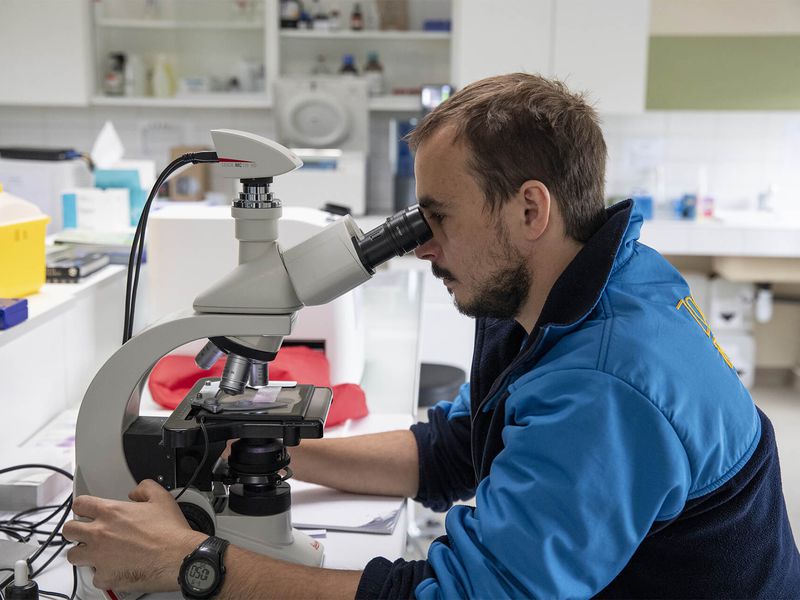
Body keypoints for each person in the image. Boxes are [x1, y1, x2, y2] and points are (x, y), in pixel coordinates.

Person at [64, 73, 800, 598]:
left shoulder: (606, 382)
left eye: (436, 217)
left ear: (530, 210)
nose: (419, 245)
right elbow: (459, 449)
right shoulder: (584, 289)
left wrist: (195, 564)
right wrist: (258, 446)